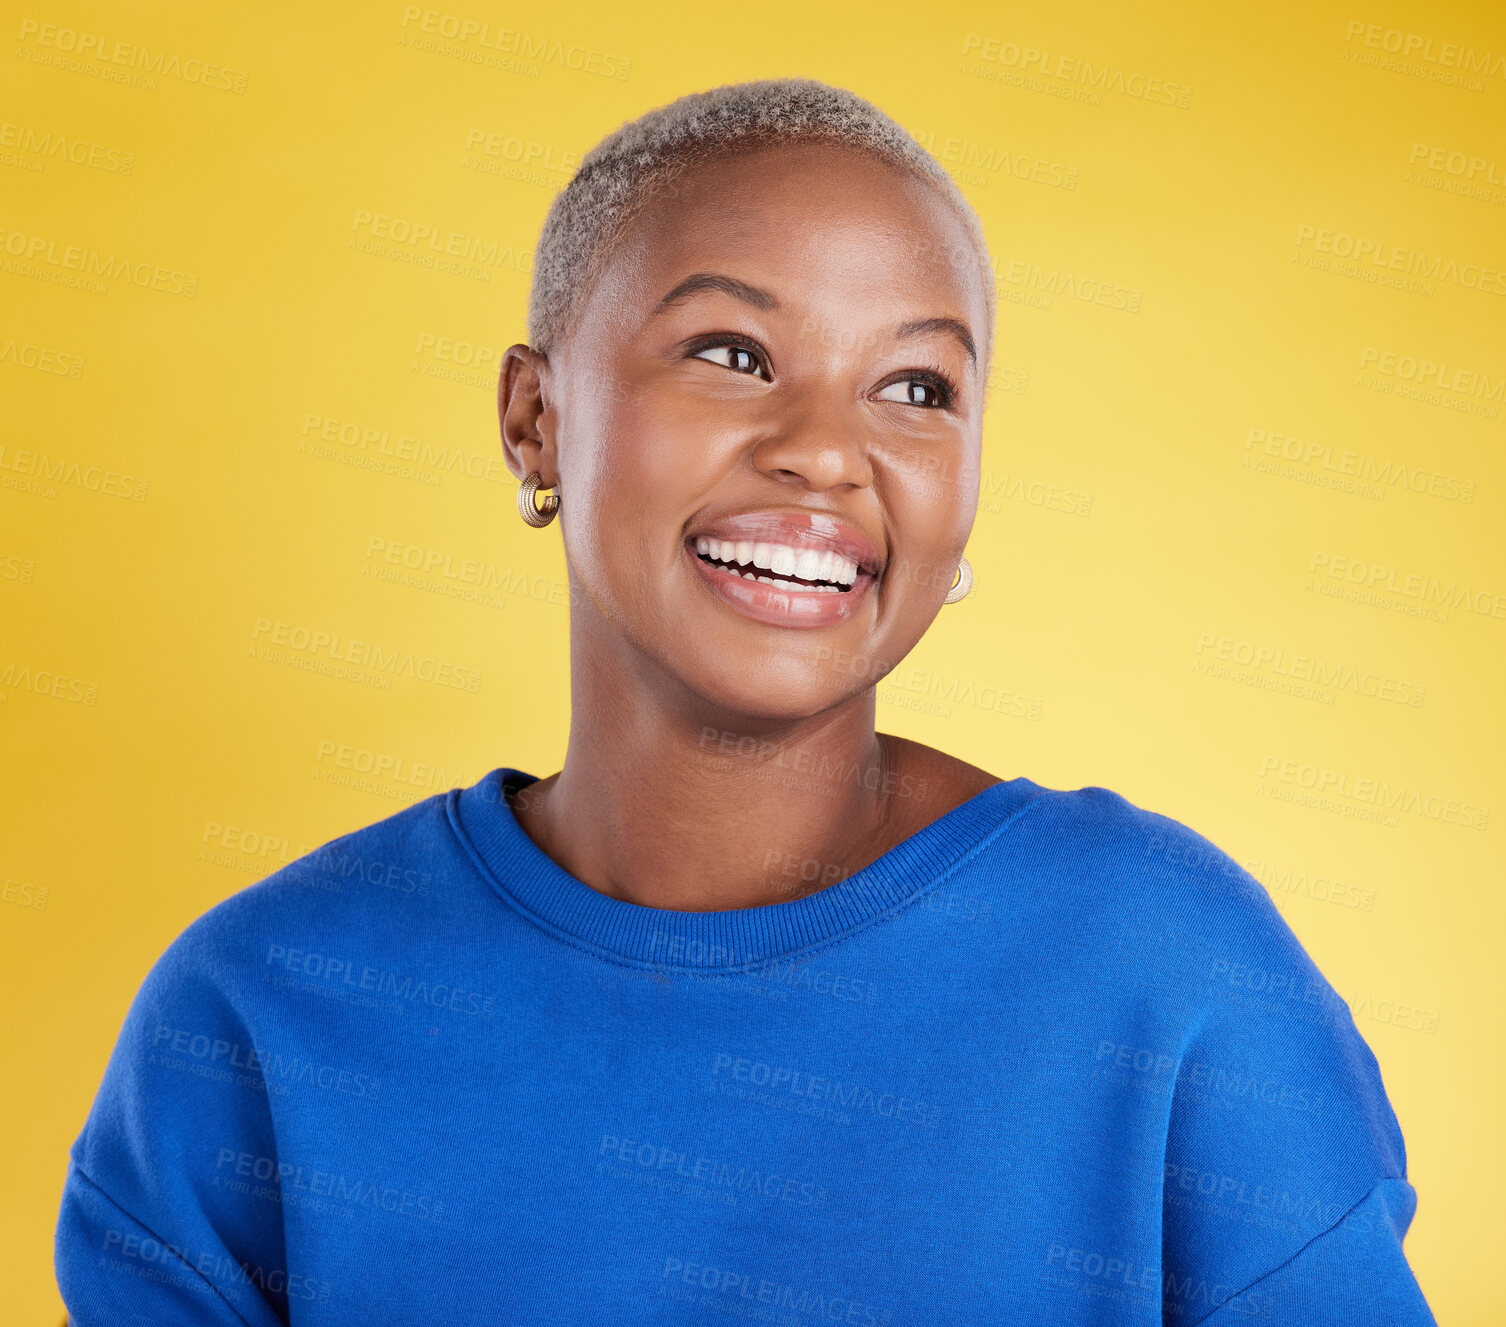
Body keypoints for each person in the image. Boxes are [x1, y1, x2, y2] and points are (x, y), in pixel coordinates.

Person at [55, 78, 1435, 1325]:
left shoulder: (1170, 974)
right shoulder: (258, 1014)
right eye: (729, 353)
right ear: (534, 419)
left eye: (914, 386)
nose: (825, 450)